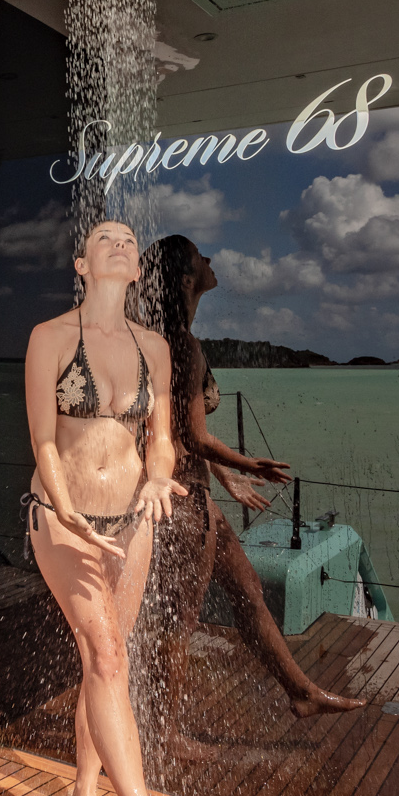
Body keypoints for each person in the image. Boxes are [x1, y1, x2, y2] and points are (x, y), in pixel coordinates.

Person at [24, 219, 192, 796]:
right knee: (107, 657)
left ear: (136, 270)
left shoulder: (154, 347)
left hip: (132, 521)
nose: (120, 244)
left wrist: (157, 478)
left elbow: (161, 438)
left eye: (128, 241)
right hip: (63, 519)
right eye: (104, 239)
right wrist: (66, 507)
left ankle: (84, 788)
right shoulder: (49, 338)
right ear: (82, 264)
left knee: (106, 662)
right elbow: (42, 439)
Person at [142, 234, 363, 728]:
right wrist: (247, 465)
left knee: (246, 587)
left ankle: (301, 692)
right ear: (187, 280)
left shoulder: (166, 339)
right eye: (199, 257)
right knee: (180, 620)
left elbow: (178, 428)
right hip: (182, 499)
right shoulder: (182, 345)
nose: (210, 259)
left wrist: (227, 478)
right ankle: (163, 735)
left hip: (192, 491)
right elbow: (193, 438)